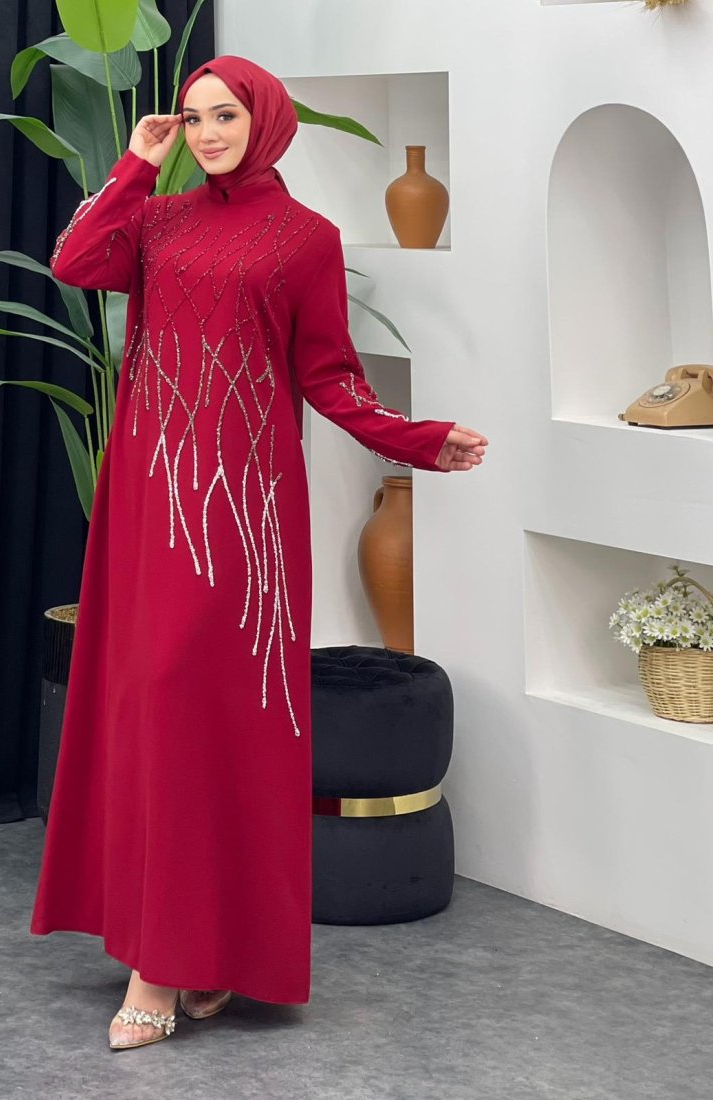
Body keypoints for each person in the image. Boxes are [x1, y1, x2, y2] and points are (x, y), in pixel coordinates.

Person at [30, 55, 488, 1051]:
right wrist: (135, 163)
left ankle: (167, 963)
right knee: (156, 713)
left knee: (208, 720)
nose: (205, 133)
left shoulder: (306, 238)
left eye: (224, 116)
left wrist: (417, 440)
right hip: (147, 501)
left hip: (240, 516)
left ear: (264, 120)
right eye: (192, 118)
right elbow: (76, 264)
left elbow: (330, 376)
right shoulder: (158, 219)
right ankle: (194, 952)